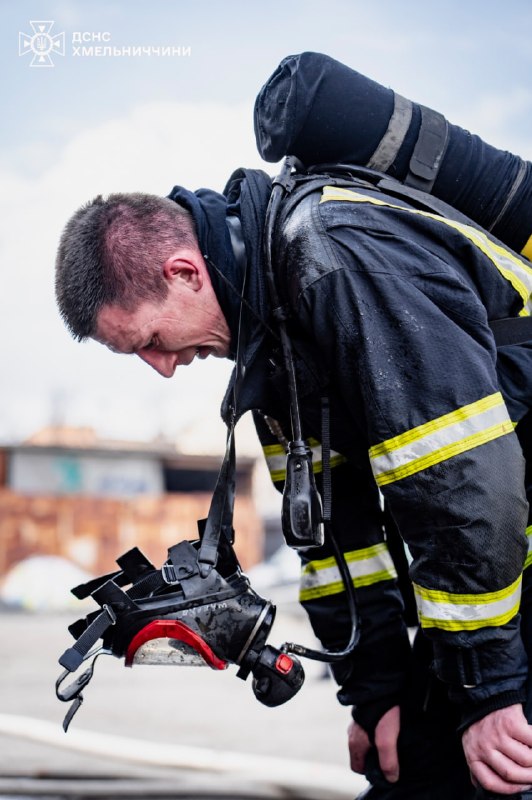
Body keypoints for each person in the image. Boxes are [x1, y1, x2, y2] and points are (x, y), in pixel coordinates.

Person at [55, 71, 532, 800]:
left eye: (150, 340)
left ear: (184, 272)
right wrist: (376, 700)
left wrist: (494, 690)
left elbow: (463, 485)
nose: (162, 369)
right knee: (409, 775)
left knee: (498, 772)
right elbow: (337, 543)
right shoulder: (271, 337)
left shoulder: (332, 255)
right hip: (500, 553)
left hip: (503, 535)